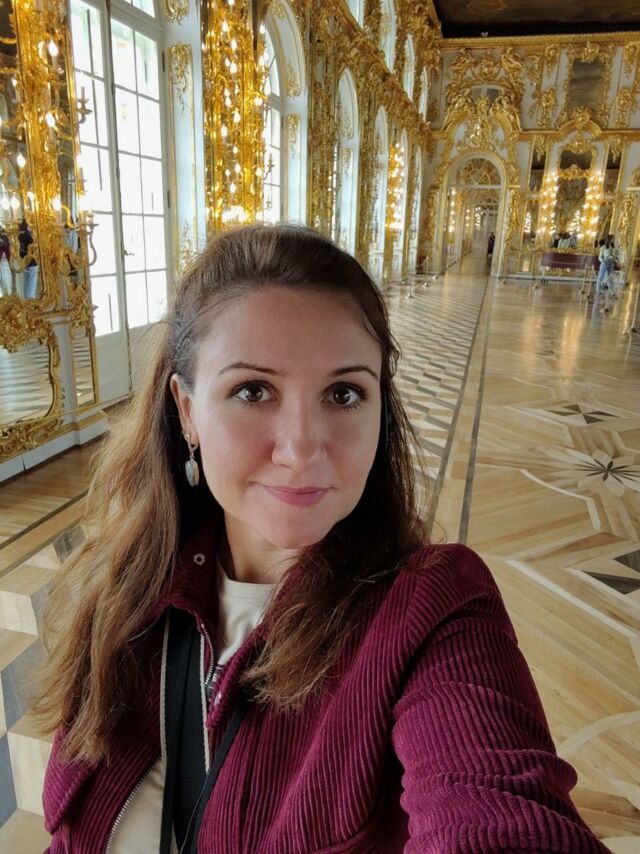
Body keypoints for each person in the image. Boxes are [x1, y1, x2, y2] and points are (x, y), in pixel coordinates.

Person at [34, 225, 610, 853]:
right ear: (187, 410)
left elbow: (495, 805)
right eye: (253, 391)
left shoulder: (433, 612)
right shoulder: (125, 584)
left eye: (344, 394)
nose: (302, 449)